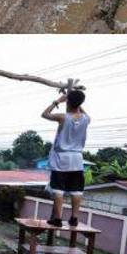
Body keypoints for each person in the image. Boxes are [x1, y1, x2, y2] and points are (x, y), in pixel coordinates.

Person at [41, 89, 90, 228]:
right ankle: (74, 218)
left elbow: (44, 114)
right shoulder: (86, 119)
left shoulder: (63, 117)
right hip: (77, 159)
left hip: (61, 158)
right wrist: (74, 100)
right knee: (76, 190)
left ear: (68, 102)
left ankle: (57, 219)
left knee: (58, 189)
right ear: (80, 103)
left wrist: (57, 101)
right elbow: (79, 108)